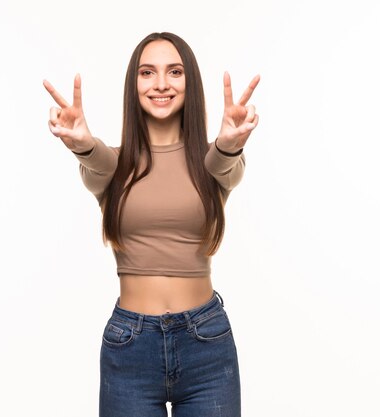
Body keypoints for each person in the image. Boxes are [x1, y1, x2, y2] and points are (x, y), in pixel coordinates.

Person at [43, 32, 259, 417]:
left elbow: (225, 163)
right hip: (130, 347)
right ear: (134, 85)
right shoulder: (114, 166)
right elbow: (96, 161)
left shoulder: (212, 162)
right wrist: (80, 142)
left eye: (174, 72)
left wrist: (230, 142)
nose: (161, 83)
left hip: (206, 342)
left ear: (189, 82)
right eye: (148, 72)